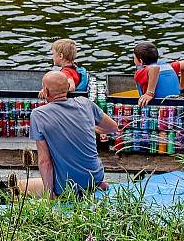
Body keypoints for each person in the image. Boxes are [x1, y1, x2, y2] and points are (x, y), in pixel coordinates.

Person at [20, 71, 119, 199]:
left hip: (67, 188)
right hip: (95, 180)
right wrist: (90, 128)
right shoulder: (85, 103)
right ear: (68, 87)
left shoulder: (38, 115)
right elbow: (112, 127)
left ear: (46, 91)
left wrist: (50, 196)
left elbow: (45, 162)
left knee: (20, 186)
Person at [133, 42, 184, 107]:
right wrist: (182, 86)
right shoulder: (168, 66)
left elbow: (154, 68)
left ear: (141, 61)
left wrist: (149, 93)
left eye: (134, 58)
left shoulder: (141, 72)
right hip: (177, 101)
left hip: (159, 105)